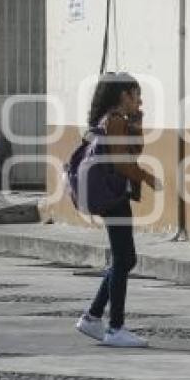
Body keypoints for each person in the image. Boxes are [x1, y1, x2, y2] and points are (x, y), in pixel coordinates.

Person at [75, 72, 162, 348]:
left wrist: (137, 122)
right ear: (124, 95)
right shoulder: (113, 121)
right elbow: (123, 162)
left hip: (115, 195)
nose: (140, 99)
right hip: (114, 197)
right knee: (124, 259)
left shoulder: (119, 121)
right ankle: (114, 327)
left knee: (124, 259)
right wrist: (147, 177)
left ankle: (93, 316)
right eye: (136, 94)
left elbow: (132, 151)